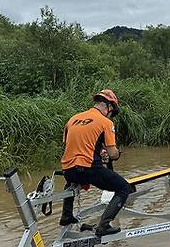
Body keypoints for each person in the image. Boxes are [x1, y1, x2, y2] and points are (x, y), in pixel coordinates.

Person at [59, 89, 131, 237]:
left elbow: (72, 145)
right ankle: (104, 226)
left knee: (71, 182)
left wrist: (98, 151)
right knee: (124, 188)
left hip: (68, 170)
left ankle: (66, 216)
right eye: (112, 112)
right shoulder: (106, 122)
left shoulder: (72, 119)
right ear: (109, 106)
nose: (111, 115)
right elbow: (112, 153)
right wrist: (116, 154)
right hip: (88, 169)